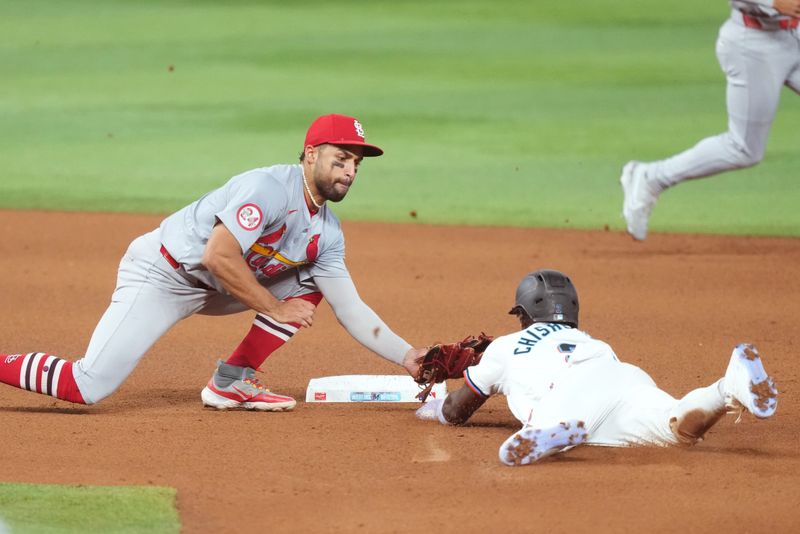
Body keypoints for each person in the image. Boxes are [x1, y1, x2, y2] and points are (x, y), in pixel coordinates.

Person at [0, 113, 426, 411]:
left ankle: (231, 381)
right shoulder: (269, 188)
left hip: (221, 289)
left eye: (355, 163)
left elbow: (351, 309)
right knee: (87, 385)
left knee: (311, 280)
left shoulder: (327, 233)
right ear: (311, 154)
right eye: (341, 158)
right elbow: (218, 255)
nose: (349, 171)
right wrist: (275, 307)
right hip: (164, 275)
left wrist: (409, 356)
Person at [415, 269, 779, 465]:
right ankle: (727, 387)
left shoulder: (505, 347)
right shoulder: (591, 340)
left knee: (509, 454)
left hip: (567, 394)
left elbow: (455, 411)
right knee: (676, 427)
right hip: (622, 376)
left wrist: (430, 410)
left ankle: (553, 432)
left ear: (524, 314)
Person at [621, 0, 800, 241]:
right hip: (754, 44)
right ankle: (651, 177)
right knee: (744, 149)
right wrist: (774, 2)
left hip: (794, 35)